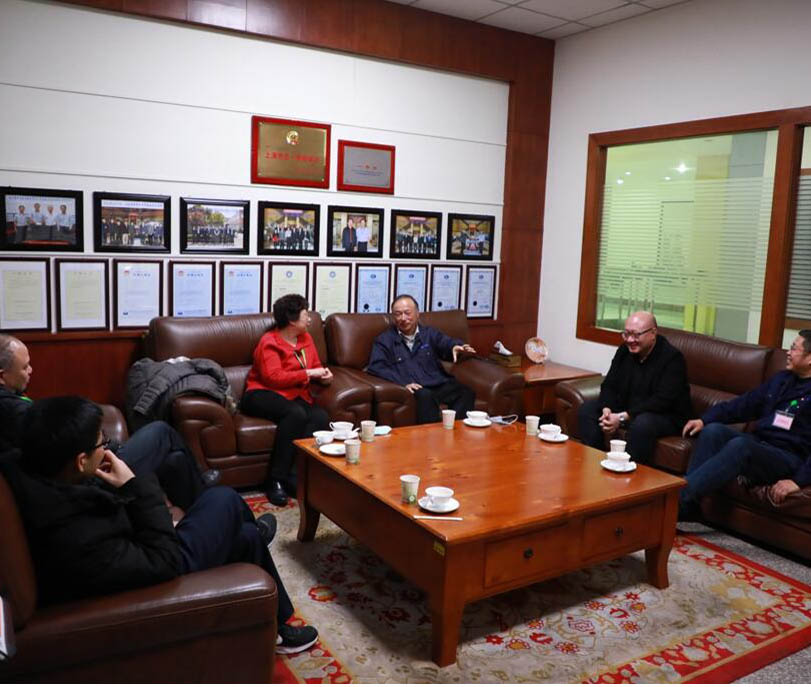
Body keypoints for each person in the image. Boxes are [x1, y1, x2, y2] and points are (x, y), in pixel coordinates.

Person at [0, 396, 318, 654]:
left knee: (246, 536)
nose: (106, 448)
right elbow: (163, 560)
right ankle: (273, 605)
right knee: (224, 499)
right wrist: (133, 485)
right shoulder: (74, 535)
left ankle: (278, 626)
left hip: (133, 551)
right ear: (81, 461)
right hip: (156, 570)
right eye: (101, 443)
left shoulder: (33, 472)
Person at [0, 333, 214, 510]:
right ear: (2, 376)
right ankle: (204, 495)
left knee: (175, 460)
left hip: (83, 467)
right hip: (90, 477)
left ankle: (202, 504)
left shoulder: (10, 400)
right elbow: (67, 449)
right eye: (24, 367)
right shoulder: (15, 411)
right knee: (161, 432)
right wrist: (105, 446)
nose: (31, 371)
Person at [678, 331, 811, 520]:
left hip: (787, 456)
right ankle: (688, 506)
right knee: (713, 431)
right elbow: (744, 404)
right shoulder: (782, 379)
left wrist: (798, 481)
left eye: (794, 349)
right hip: (760, 443)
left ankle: (677, 498)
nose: (788, 353)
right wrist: (704, 420)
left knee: (741, 446)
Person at [241, 294, 332, 506]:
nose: (309, 319)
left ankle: (295, 476)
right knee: (295, 414)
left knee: (320, 417)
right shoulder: (269, 342)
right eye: (306, 315)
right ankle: (275, 480)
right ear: (292, 320)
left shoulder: (306, 338)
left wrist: (325, 377)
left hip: (293, 394)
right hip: (261, 393)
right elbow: (273, 378)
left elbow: (316, 366)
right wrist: (308, 373)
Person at [577, 311, 692, 464]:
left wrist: (622, 417)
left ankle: (628, 470)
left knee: (643, 424)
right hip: (630, 410)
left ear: (653, 333)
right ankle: (595, 462)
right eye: (626, 334)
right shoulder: (625, 350)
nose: (630, 340)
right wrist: (607, 409)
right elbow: (609, 384)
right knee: (588, 410)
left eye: (636, 335)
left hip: (664, 415)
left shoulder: (672, 359)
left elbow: (662, 401)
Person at [367, 294, 477, 424]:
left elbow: (445, 342)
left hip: (436, 382)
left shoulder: (429, 333)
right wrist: (402, 383)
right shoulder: (384, 340)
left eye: (407, 313)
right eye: (398, 314)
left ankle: (455, 430)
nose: (403, 318)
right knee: (425, 396)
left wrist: (454, 346)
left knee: (466, 392)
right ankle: (430, 435)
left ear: (417, 314)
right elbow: (376, 366)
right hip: (415, 387)